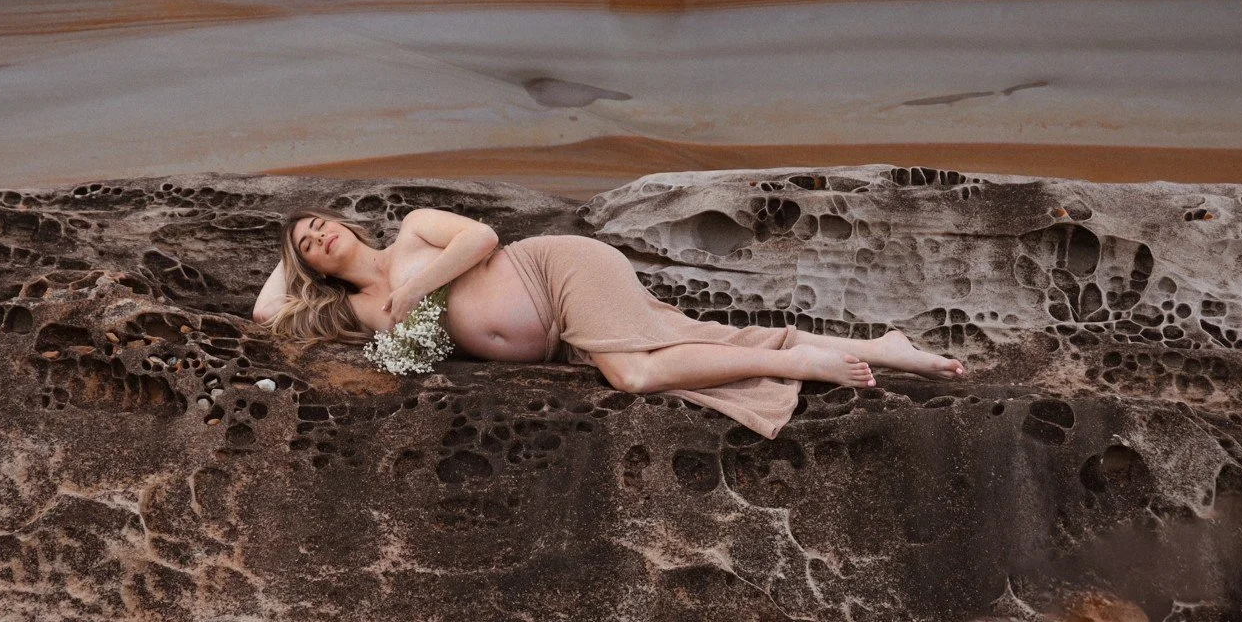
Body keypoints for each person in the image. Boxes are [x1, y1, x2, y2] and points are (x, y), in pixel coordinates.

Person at [253, 207, 964, 440]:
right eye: (309, 244)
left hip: (559, 271)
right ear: (310, 268)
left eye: (321, 223)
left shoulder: (413, 231)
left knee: (633, 374)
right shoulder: (354, 311)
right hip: (558, 337)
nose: (321, 236)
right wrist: (287, 252)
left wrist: (416, 287)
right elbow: (264, 313)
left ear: (346, 222)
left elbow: (483, 238)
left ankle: (798, 365)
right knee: (703, 339)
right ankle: (883, 347)